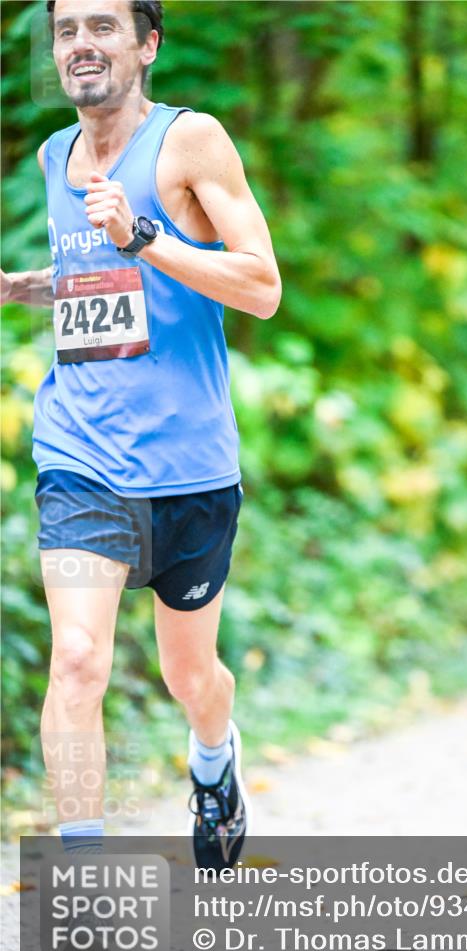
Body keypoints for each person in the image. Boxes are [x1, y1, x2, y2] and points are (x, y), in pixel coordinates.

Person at [1, 0, 281, 880]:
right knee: (78, 659)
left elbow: (261, 287)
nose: (81, 44)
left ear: (147, 43)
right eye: (66, 30)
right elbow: (96, 281)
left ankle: (213, 760)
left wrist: (147, 234)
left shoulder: (191, 142)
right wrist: (21, 287)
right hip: (80, 455)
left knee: (190, 677)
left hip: (188, 462)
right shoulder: (54, 157)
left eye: (103, 27)